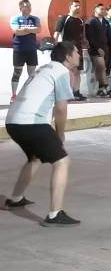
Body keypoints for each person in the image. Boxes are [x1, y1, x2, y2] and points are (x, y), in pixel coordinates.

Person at [4, 41, 82, 227]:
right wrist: (60, 134)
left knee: (36, 158)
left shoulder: (44, 69)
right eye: (77, 52)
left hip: (13, 122)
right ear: (68, 57)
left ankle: (15, 199)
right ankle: (55, 214)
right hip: (32, 123)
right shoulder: (62, 72)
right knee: (62, 161)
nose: (79, 55)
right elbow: (61, 108)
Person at [54, 0, 87, 101]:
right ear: (70, 7)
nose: (78, 7)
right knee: (68, 72)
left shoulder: (80, 20)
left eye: (79, 6)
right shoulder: (64, 19)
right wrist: (56, 47)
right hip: (66, 49)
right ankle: (66, 93)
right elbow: (56, 34)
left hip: (78, 50)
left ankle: (76, 93)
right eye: (75, 6)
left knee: (77, 72)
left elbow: (82, 36)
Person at [9, 0, 41, 103]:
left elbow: (39, 30)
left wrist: (24, 29)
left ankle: (30, 94)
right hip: (19, 49)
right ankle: (14, 94)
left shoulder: (35, 18)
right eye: (26, 6)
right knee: (17, 72)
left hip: (31, 49)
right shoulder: (15, 18)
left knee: (32, 74)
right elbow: (17, 31)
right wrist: (31, 30)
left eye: (29, 6)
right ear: (20, 8)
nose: (28, 8)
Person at [85, 3, 111, 98]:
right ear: (95, 9)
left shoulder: (105, 22)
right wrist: (98, 48)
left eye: (103, 9)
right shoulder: (90, 21)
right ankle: (107, 87)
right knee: (101, 67)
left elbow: (109, 36)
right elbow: (90, 37)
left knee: (102, 69)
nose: (103, 11)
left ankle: (101, 90)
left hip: (105, 48)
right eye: (101, 9)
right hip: (95, 49)